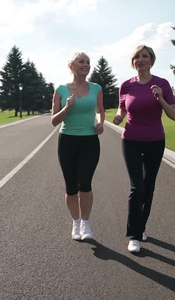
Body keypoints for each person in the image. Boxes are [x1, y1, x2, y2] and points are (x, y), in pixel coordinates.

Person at [113, 45, 175, 253]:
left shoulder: (162, 84)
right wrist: (119, 117)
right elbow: (122, 108)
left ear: (151, 60)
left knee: (148, 187)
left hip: (155, 141)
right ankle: (133, 235)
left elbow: (174, 115)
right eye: (137, 57)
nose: (140, 60)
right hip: (131, 140)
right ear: (133, 62)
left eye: (144, 56)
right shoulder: (126, 85)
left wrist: (160, 98)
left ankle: (141, 228)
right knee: (137, 187)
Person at [51, 51, 105, 241]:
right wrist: (67, 108)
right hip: (67, 141)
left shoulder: (97, 88)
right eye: (81, 61)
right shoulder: (60, 90)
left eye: (88, 62)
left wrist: (100, 122)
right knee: (71, 187)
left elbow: (100, 110)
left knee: (85, 184)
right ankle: (76, 222)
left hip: (89, 141)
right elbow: (54, 121)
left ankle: (86, 223)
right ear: (71, 66)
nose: (86, 65)